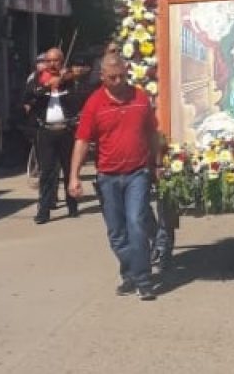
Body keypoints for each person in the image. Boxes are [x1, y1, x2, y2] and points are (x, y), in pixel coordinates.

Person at [69, 54, 159, 301]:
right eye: (112, 77)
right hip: (108, 176)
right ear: (102, 77)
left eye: (122, 76)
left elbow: (152, 132)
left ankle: (143, 280)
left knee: (136, 223)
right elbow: (82, 141)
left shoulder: (140, 97)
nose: (119, 81)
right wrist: (73, 176)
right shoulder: (94, 104)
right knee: (117, 233)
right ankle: (129, 272)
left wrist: (157, 163)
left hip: (137, 173)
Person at [24, 48, 88, 224]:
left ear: (62, 62)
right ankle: (43, 211)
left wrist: (68, 80)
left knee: (69, 169)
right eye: (49, 61)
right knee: (47, 172)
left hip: (66, 130)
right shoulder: (38, 79)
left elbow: (81, 98)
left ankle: (72, 205)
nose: (52, 64)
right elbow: (28, 95)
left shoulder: (70, 81)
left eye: (56, 61)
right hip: (45, 131)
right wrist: (47, 86)